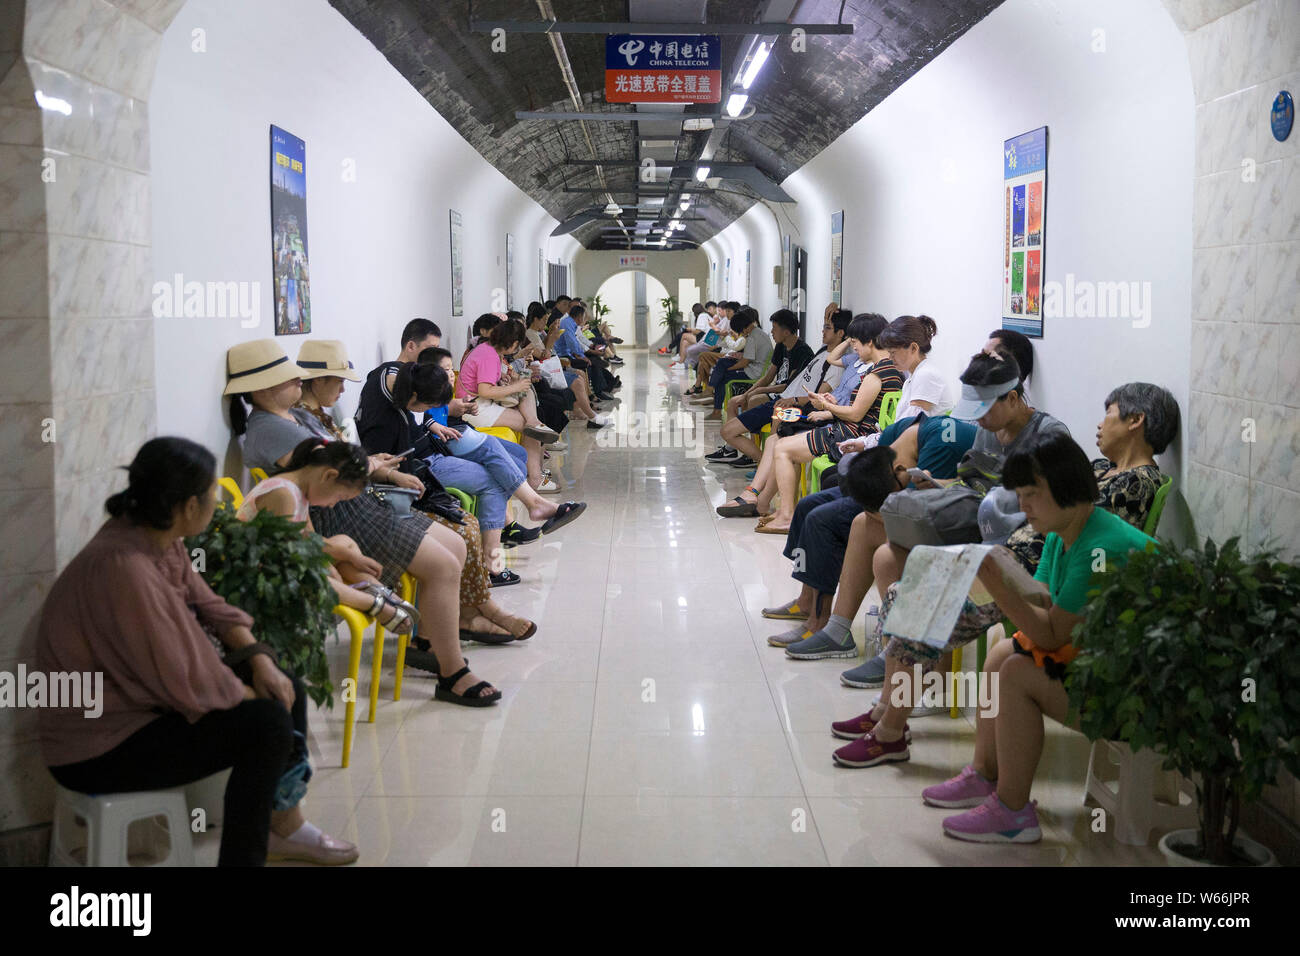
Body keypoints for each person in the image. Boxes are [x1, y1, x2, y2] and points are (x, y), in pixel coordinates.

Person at [38, 437, 357, 865]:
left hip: (137, 711)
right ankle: (255, 847)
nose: (216, 503)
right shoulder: (127, 570)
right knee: (266, 724)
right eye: (211, 496)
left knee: (283, 685)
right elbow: (183, 679)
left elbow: (210, 605)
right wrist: (250, 694)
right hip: (98, 748)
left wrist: (259, 659)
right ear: (189, 506)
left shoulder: (154, 535)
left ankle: (284, 827)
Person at [830, 384, 1178, 769]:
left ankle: (890, 732)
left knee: (917, 599)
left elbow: (1081, 545)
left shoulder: (1137, 482)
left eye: (1108, 413)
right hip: (1013, 559)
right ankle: (886, 709)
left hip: (1029, 575)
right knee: (903, 588)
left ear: (1135, 421)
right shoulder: (1099, 469)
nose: (1098, 424)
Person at [228, 339, 501, 701]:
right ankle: (453, 673)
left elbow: (339, 460)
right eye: (290, 379)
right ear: (263, 389)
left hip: (356, 502)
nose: (299, 383)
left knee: (454, 544)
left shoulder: (296, 416)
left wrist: (372, 466)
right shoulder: (269, 428)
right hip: (337, 515)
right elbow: (328, 470)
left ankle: (429, 640)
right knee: (443, 565)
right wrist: (372, 466)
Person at [919, 434, 1158, 842]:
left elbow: (1049, 634)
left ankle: (1013, 813)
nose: (1023, 505)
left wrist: (996, 583)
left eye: (1032, 494)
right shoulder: (1063, 531)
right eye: (1020, 494)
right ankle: (984, 775)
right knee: (1000, 655)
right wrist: (1001, 579)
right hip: (1103, 664)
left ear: (1067, 489)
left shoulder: (1103, 546)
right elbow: (1045, 603)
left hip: (1142, 694)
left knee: (1014, 673)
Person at [458, 318, 561, 487]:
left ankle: (533, 422)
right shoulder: (488, 355)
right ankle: (535, 478)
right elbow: (484, 391)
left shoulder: (489, 350)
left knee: (526, 393)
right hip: (474, 408)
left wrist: (508, 379)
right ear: (514, 344)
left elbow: (488, 382)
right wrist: (516, 386)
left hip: (481, 402)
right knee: (531, 429)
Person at [708, 309, 815, 467]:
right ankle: (733, 449)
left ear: (786, 332)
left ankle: (755, 457)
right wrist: (750, 391)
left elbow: (790, 386)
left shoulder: (803, 352)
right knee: (734, 401)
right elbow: (768, 377)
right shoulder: (781, 346)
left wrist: (759, 391)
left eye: (774, 328)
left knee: (754, 399)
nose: (771, 332)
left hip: (787, 397)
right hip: (777, 392)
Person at [703, 307, 771, 417]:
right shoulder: (758, 333)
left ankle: (716, 408)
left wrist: (728, 369)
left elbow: (744, 363)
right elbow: (748, 358)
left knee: (724, 375)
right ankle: (711, 394)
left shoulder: (751, 338)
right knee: (722, 362)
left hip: (753, 372)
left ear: (743, 328)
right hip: (754, 367)